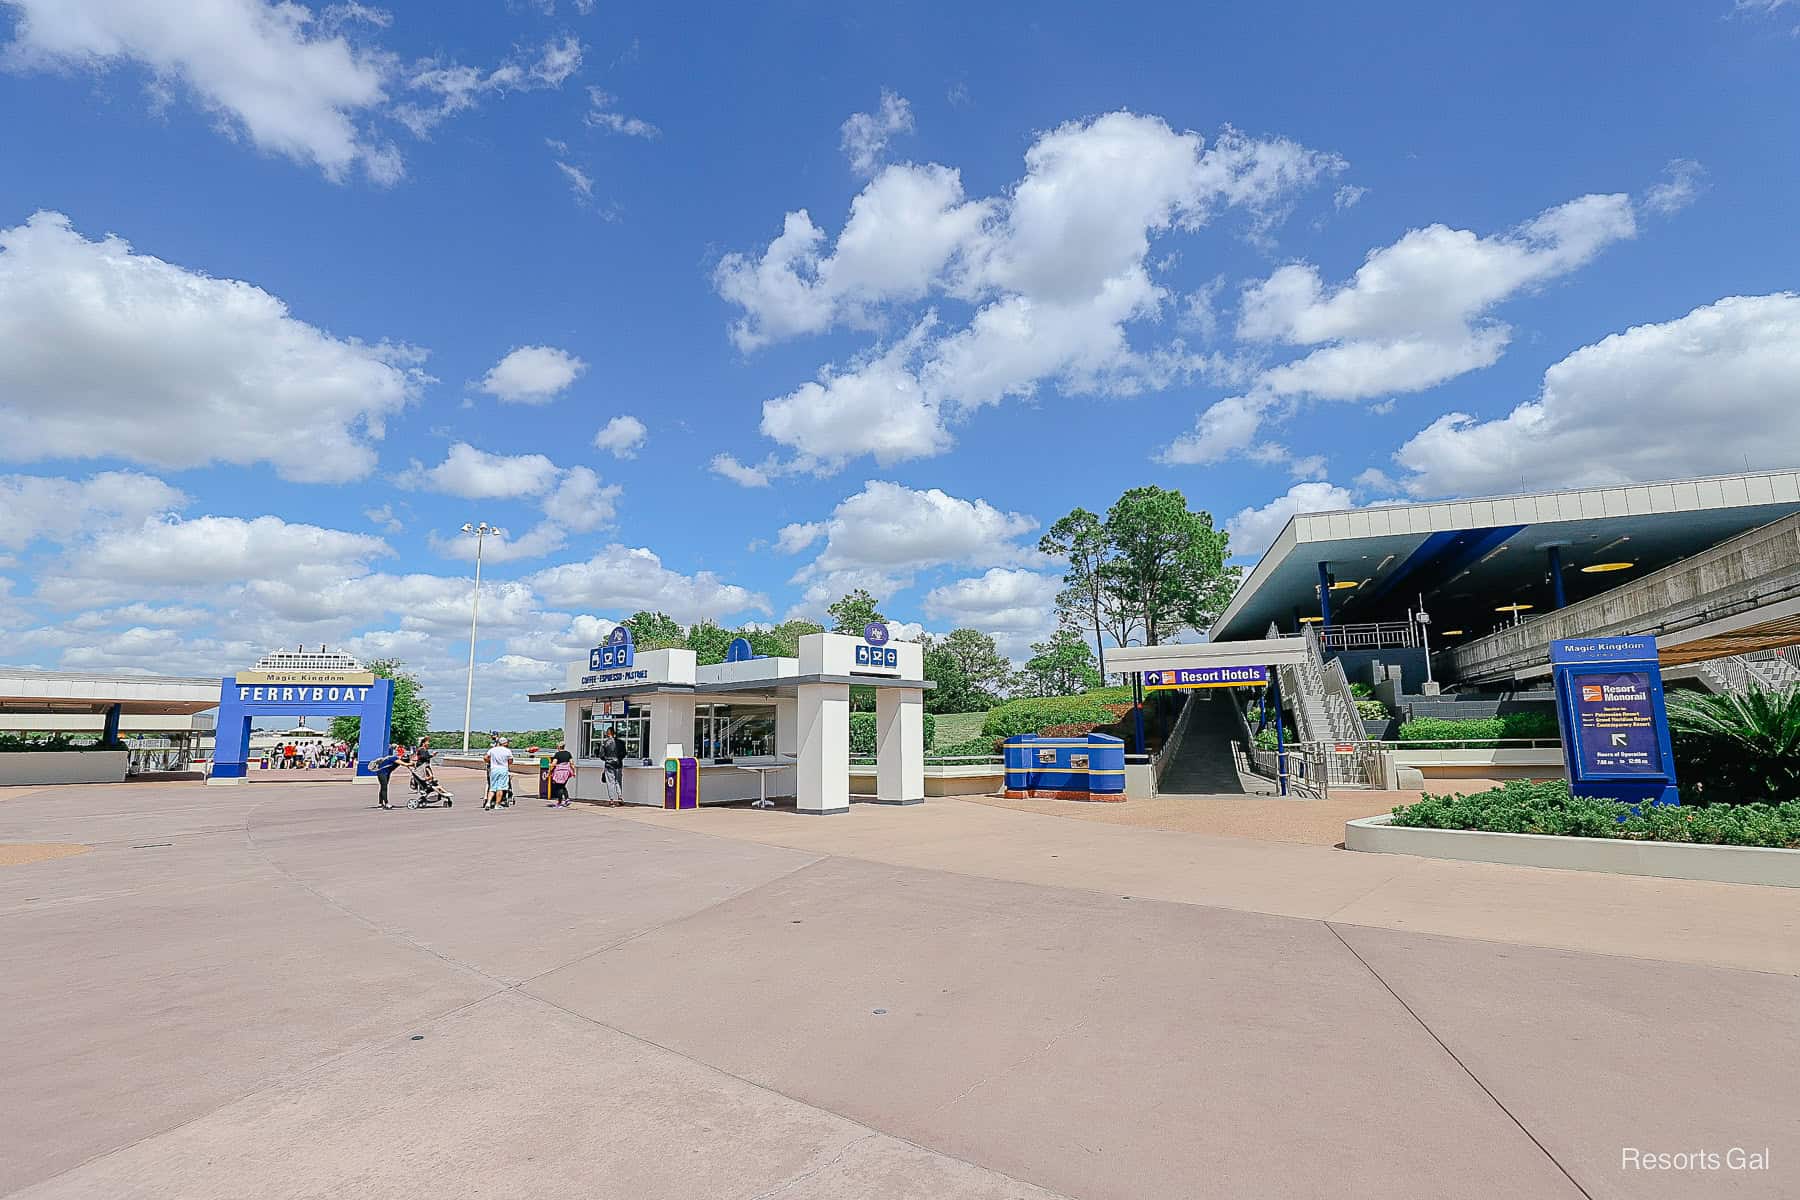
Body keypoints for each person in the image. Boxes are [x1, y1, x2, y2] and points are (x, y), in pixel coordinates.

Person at [483, 737, 513, 810]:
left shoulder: (492, 750)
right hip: (503, 769)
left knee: (492, 787)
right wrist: (506, 763)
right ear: (505, 743)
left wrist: (490, 762)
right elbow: (511, 761)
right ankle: (497, 804)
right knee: (500, 788)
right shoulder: (507, 751)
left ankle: (488, 803)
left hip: (493, 770)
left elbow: (485, 758)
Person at [370, 743, 402, 809]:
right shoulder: (393, 758)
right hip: (382, 773)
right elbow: (404, 764)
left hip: (386, 773)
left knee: (383, 787)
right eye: (396, 748)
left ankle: (380, 803)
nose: (397, 750)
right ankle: (386, 803)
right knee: (384, 787)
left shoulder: (393, 757)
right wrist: (410, 764)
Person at [599, 726, 625, 806]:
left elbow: (601, 755)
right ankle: (620, 797)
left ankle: (611, 800)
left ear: (608, 733)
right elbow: (624, 753)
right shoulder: (621, 742)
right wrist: (619, 759)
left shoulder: (605, 743)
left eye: (607, 732)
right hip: (618, 764)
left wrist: (607, 759)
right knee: (618, 781)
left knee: (610, 782)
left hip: (609, 765)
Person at [548, 742, 574, 807]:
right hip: (567, 772)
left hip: (559, 772)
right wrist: (573, 772)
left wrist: (550, 766)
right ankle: (567, 799)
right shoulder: (568, 753)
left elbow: (554, 764)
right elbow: (572, 763)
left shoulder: (557, 754)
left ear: (559, 747)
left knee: (559, 787)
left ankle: (559, 802)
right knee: (563, 786)